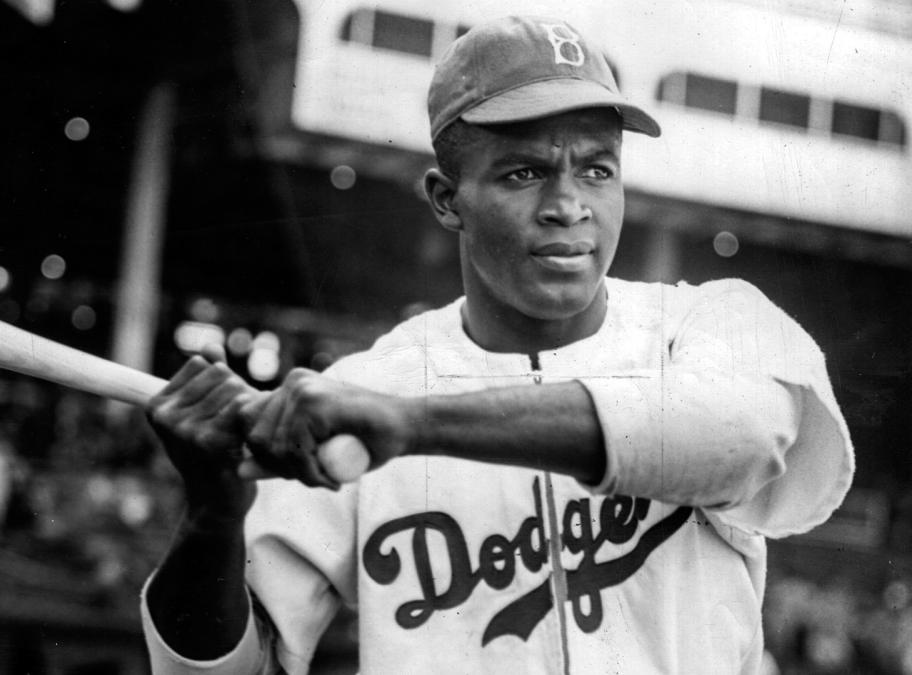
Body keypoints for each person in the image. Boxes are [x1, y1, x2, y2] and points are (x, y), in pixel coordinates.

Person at [141, 15, 854, 674]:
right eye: (525, 171)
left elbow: (746, 437)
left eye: (597, 169)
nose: (570, 204)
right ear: (447, 198)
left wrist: (413, 423)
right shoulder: (372, 383)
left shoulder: (710, 325)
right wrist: (211, 515)